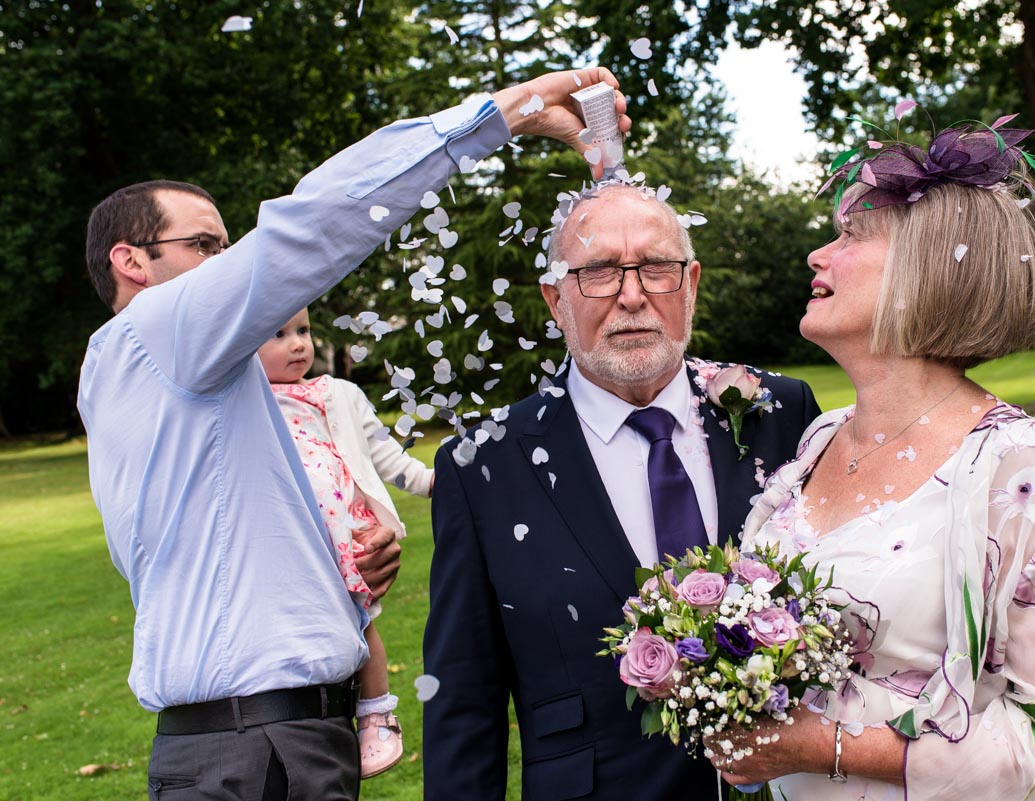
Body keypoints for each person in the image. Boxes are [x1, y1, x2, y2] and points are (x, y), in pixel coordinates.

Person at [77, 68, 630, 801]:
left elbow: (226, 532)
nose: (228, 261)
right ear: (131, 262)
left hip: (275, 744)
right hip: (254, 755)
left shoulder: (189, 379)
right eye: (208, 245)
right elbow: (308, 225)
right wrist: (500, 115)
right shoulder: (157, 333)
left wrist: (340, 559)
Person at [714, 118, 1035, 800]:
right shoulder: (821, 438)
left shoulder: (1026, 469)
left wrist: (821, 746)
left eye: (850, 236)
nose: (818, 254)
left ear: (926, 266)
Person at [422, 182, 823, 800]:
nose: (632, 296)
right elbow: (463, 703)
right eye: (600, 272)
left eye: (655, 269)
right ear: (556, 300)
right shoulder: (483, 465)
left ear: (689, 285)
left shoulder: (782, 412)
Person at [257, 306, 434, 778]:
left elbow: (384, 453)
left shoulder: (338, 394)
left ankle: (377, 714)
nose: (298, 343)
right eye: (278, 333)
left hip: (348, 533)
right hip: (294, 542)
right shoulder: (246, 401)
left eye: (303, 331)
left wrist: (430, 482)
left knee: (362, 622)